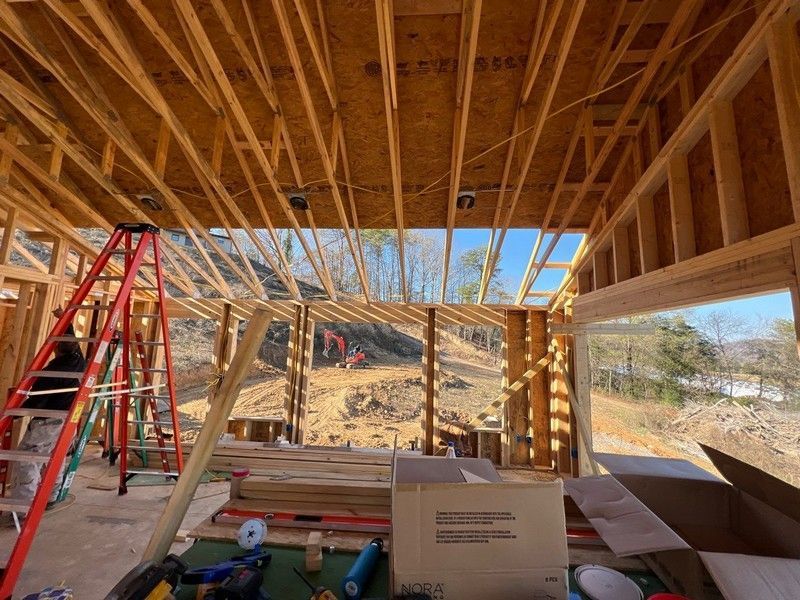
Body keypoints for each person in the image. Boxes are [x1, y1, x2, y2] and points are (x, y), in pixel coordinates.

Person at [6, 307, 86, 517]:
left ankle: (23, 507)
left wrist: (12, 413)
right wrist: (65, 320)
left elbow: (37, 402)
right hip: (68, 421)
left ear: (56, 348)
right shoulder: (78, 360)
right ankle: (51, 496)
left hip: (47, 423)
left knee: (27, 459)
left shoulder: (50, 373)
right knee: (54, 457)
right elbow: (71, 341)